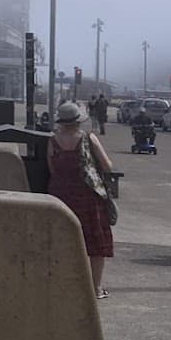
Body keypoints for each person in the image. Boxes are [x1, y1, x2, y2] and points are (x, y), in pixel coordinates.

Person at [47, 103, 114, 299]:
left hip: (59, 196)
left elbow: (52, 168)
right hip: (86, 196)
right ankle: (95, 288)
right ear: (78, 120)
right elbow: (107, 166)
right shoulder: (87, 138)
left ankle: (61, 285)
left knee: (61, 240)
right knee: (95, 243)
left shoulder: (52, 140)